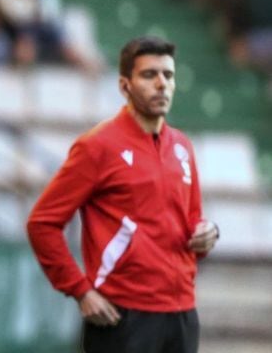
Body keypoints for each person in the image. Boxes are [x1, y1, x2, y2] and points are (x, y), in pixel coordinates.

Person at [27, 36, 220, 353]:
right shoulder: (98, 146)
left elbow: (191, 222)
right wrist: (80, 290)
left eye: (168, 75)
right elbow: (42, 223)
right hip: (123, 316)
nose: (161, 84)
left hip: (182, 313)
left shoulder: (182, 146)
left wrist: (208, 233)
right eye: (149, 75)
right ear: (124, 85)